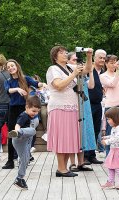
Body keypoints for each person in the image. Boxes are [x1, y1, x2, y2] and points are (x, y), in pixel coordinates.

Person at [46, 45, 93, 177]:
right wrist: (74, 74)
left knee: (67, 139)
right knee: (62, 138)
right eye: (61, 52)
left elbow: (88, 69)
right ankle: (61, 169)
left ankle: (63, 168)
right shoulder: (53, 69)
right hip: (59, 107)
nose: (65, 54)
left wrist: (89, 56)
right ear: (55, 57)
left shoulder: (69, 67)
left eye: (66, 52)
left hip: (72, 108)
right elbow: (59, 85)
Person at [3, 59, 45, 169]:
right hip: (12, 109)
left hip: (24, 109)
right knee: (12, 133)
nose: (10, 68)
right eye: (8, 67)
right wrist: (17, 89)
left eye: (12, 66)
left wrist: (44, 84)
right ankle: (10, 161)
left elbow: (36, 83)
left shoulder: (25, 78)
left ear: (17, 66)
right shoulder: (8, 81)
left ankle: (26, 156)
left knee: (26, 133)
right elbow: (8, 90)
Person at [67, 52, 95, 172]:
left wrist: (90, 71)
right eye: (74, 60)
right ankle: (72, 163)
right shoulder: (68, 72)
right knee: (74, 133)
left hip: (84, 103)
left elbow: (91, 86)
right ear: (68, 61)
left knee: (83, 131)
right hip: (73, 104)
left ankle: (81, 162)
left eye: (78, 61)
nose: (77, 63)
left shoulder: (83, 74)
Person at [8, 95, 41, 190]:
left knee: (25, 160)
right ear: (27, 107)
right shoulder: (24, 115)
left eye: (37, 112)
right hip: (19, 139)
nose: (35, 113)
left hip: (25, 141)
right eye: (33, 111)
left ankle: (19, 179)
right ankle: (18, 133)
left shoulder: (32, 116)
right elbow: (17, 125)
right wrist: (17, 132)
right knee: (33, 131)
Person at [100, 54, 119, 156]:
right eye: (111, 63)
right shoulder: (103, 76)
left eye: (115, 62)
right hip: (110, 106)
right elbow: (112, 84)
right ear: (106, 64)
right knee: (110, 132)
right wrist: (117, 71)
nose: (114, 65)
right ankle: (109, 155)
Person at [84, 49, 107, 165]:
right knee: (87, 129)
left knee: (96, 129)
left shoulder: (103, 72)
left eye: (104, 58)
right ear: (94, 58)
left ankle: (92, 154)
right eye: (100, 57)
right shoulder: (89, 69)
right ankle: (85, 156)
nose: (102, 60)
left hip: (99, 104)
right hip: (88, 104)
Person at [101, 107, 119, 190]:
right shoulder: (114, 128)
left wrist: (107, 142)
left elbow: (118, 138)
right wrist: (107, 137)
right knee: (111, 166)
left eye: (109, 119)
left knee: (117, 167)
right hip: (114, 150)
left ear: (116, 118)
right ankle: (110, 182)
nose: (108, 121)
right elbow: (113, 136)